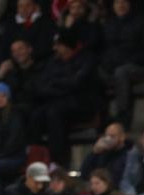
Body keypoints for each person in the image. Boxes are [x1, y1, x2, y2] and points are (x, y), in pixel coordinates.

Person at [33, 27, 98, 166]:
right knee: (36, 115)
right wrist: (61, 87)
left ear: (67, 45)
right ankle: (36, 158)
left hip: (81, 104)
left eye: (58, 45)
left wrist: (55, 83)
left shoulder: (86, 58)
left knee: (54, 114)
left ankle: (58, 163)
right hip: (56, 101)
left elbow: (77, 83)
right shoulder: (53, 61)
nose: (55, 48)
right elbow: (41, 85)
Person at [99, 0, 144, 129]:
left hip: (138, 65)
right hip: (112, 65)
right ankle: (102, 116)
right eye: (117, 3)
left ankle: (123, 116)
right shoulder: (108, 23)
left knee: (121, 73)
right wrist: (106, 62)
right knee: (95, 72)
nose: (121, 5)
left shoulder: (142, 21)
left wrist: (130, 60)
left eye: (123, 2)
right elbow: (102, 48)